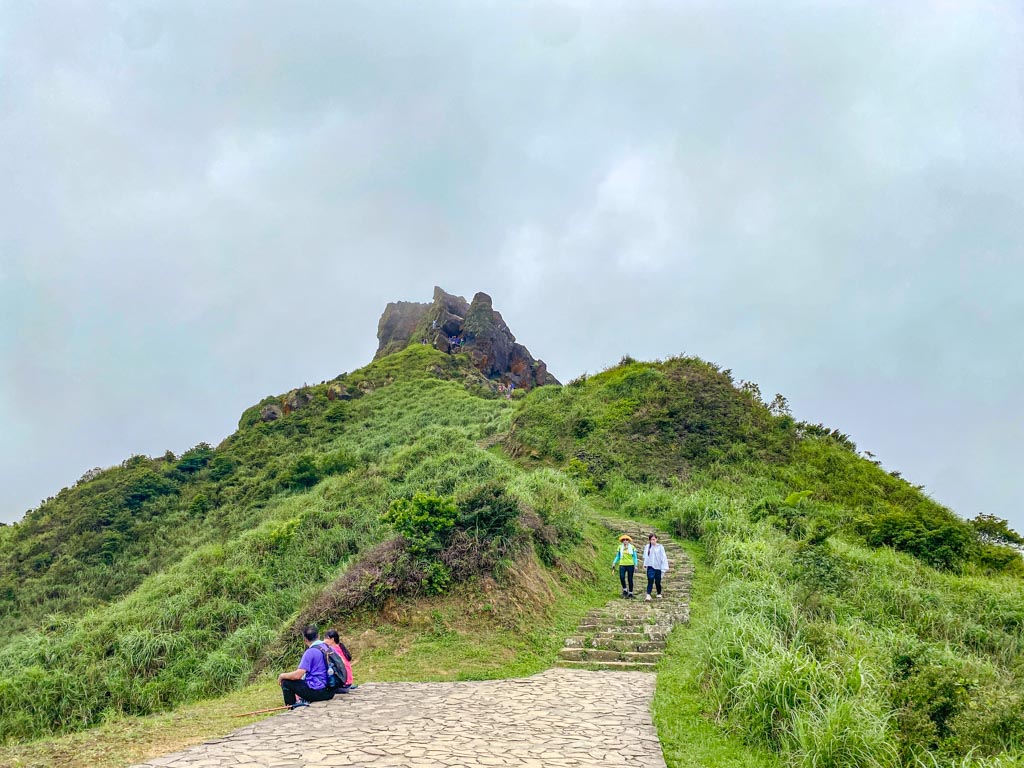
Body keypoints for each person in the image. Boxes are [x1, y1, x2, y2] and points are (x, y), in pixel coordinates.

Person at [278, 625, 335, 708]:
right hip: (331, 691)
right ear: (318, 636)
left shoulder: (310, 652)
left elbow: (298, 675)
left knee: (286, 682)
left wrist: (282, 675)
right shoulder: (328, 648)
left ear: (305, 640)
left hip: (319, 692)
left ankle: (292, 707)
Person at [642, 533, 669, 601]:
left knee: (657, 581)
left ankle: (659, 593)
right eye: (651, 539)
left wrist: (664, 566)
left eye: (654, 539)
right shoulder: (647, 546)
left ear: (656, 539)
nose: (653, 541)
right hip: (650, 566)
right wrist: (645, 564)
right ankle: (648, 594)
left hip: (658, 566)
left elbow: (663, 557)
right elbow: (646, 556)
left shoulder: (660, 547)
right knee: (650, 579)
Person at [611, 534, 639, 599]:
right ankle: (625, 589)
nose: (625, 541)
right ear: (622, 541)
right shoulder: (620, 547)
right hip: (622, 564)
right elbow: (618, 556)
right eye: (624, 540)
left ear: (629, 541)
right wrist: (614, 562)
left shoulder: (632, 547)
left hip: (630, 564)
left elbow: (635, 557)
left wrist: (636, 565)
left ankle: (631, 593)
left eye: (627, 540)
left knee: (630, 579)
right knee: (622, 576)